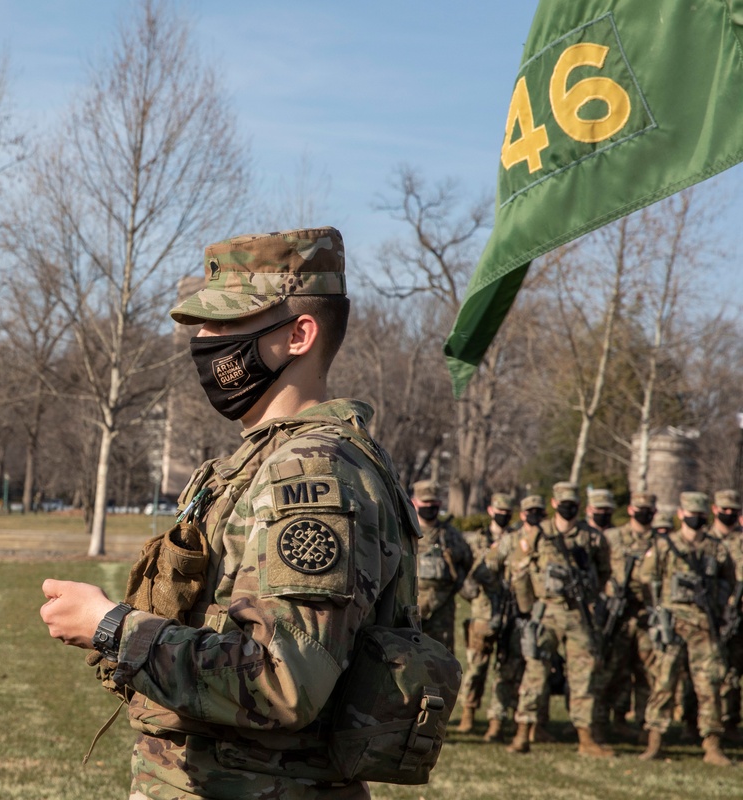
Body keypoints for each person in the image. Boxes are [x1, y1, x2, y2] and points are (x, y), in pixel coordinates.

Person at [40, 227, 422, 799]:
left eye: (227, 325)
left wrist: (113, 628)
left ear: (299, 334)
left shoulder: (315, 473)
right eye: (204, 324)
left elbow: (283, 681)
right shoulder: (260, 462)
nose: (204, 339)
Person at [507, 481, 614, 756]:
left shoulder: (591, 538)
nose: (569, 507)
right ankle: (523, 733)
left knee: (583, 675)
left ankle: (585, 737)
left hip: (578, 614)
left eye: (573, 503)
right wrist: (528, 608)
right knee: (535, 672)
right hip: (546, 612)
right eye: (564, 502)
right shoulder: (537, 535)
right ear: (554, 503)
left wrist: (589, 594)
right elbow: (518, 570)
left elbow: (604, 573)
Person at [638, 492, 735, 765]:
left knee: (709, 685)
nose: (695, 519)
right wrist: (658, 610)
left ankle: (712, 744)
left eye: (700, 515)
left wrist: (720, 607)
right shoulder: (664, 545)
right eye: (691, 513)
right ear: (681, 514)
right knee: (664, 682)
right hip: (673, 623)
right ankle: (655, 740)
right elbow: (646, 577)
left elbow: (729, 581)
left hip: (704, 625)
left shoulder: (715, 549)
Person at [594, 491, 657, 741]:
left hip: (647, 615)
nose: (644, 513)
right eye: (639, 508)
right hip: (616, 613)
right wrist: (609, 591)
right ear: (630, 509)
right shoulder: (612, 537)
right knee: (610, 668)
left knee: (647, 672)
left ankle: (643, 724)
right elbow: (598, 570)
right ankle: (600, 722)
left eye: (648, 509)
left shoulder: (661, 542)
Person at [481, 494, 542, 743]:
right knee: (506, 669)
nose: (534, 517)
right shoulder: (511, 539)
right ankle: (496, 722)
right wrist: (501, 591)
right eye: (530, 512)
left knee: (537, 671)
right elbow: (487, 567)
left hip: (542, 614)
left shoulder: (549, 540)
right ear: (523, 514)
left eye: (539, 512)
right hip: (515, 613)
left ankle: (533, 726)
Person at [458, 493, 515, 734]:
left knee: (506, 669)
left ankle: (496, 720)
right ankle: (468, 714)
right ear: (491, 510)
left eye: (507, 512)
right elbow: (464, 573)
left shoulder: (516, 539)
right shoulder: (475, 540)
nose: (503, 515)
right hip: (482, 612)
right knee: (476, 667)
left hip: (510, 610)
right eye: (499, 511)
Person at [413, 479, 473, 652]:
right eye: (426, 502)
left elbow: (466, 561)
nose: (430, 506)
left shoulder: (451, 535)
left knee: (441, 662)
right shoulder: (405, 532)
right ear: (414, 503)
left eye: (434, 502)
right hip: (411, 609)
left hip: (442, 611)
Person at [709, 489, 743, 742]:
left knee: (733, 671)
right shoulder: (705, 541)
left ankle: (730, 722)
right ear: (715, 509)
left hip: (738, 615)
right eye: (725, 508)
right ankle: (697, 722)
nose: (729, 513)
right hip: (712, 615)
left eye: (734, 510)